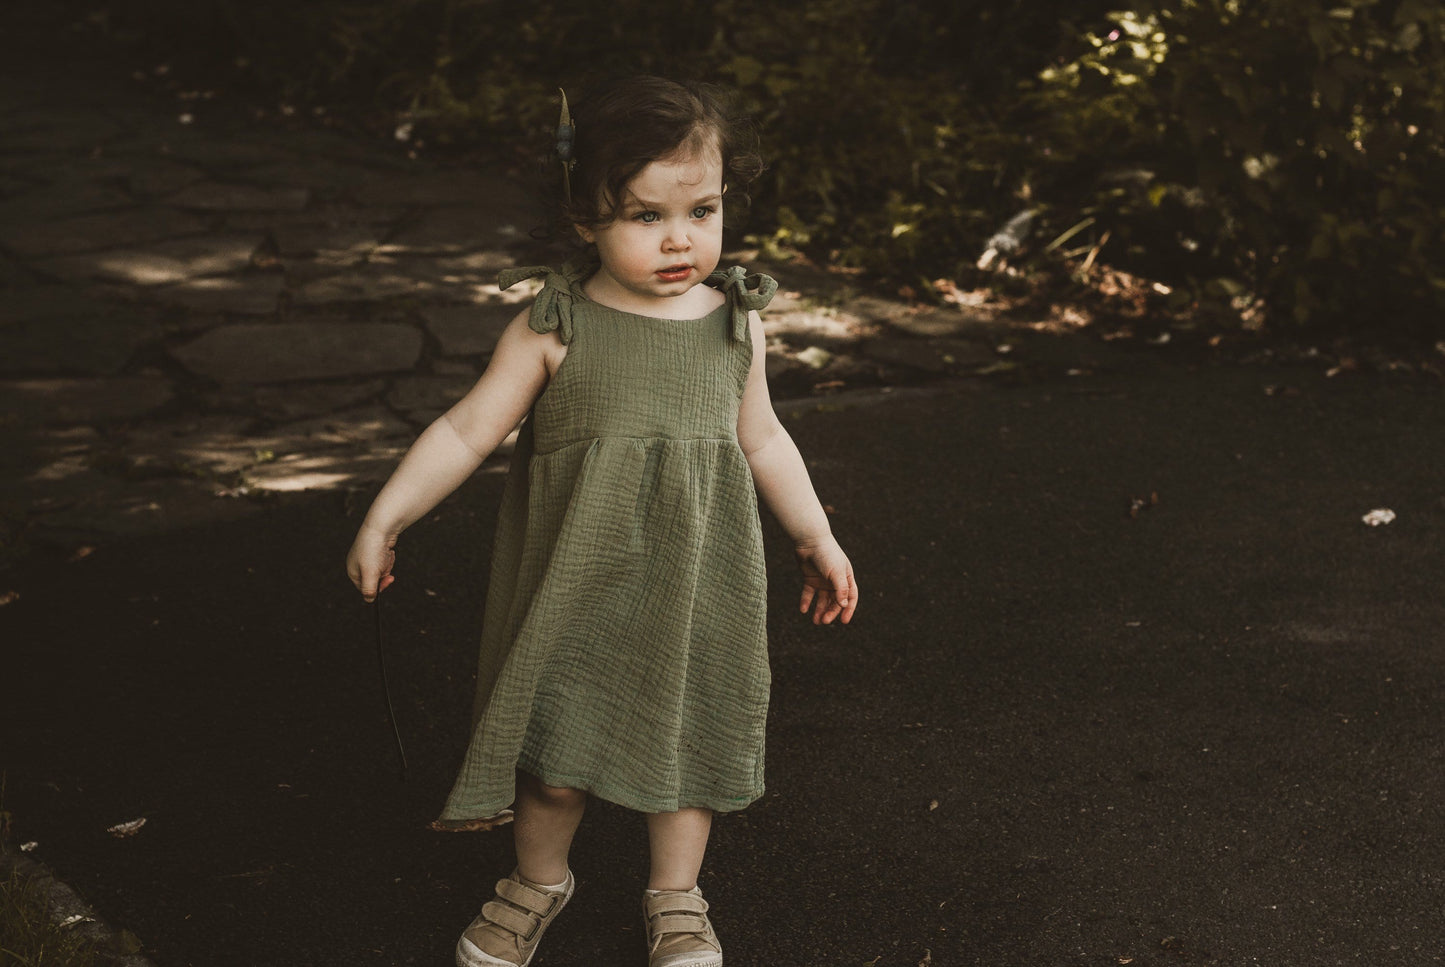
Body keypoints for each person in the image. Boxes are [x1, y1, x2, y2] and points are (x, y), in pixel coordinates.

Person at [346, 75, 858, 967]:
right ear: (584, 219)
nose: (678, 238)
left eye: (701, 210)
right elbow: (468, 428)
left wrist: (814, 536)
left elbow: (766, 439)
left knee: (686, 742)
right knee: (554, 748)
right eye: (642, 216)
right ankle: (537, 880)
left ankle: (676, 896)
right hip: (575, 582)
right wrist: (387, 514)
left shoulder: (735, 325)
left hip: (695, 579)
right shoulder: (556, 324)